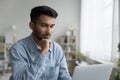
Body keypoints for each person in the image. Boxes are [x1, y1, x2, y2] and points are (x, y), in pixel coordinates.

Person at [9, 6, 72, 80]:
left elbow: (64, 77)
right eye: (44, 25)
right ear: (31, 25)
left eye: (52, 26)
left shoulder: (57, 49)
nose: (49, 31)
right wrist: (43, 53)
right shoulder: (17, 49)